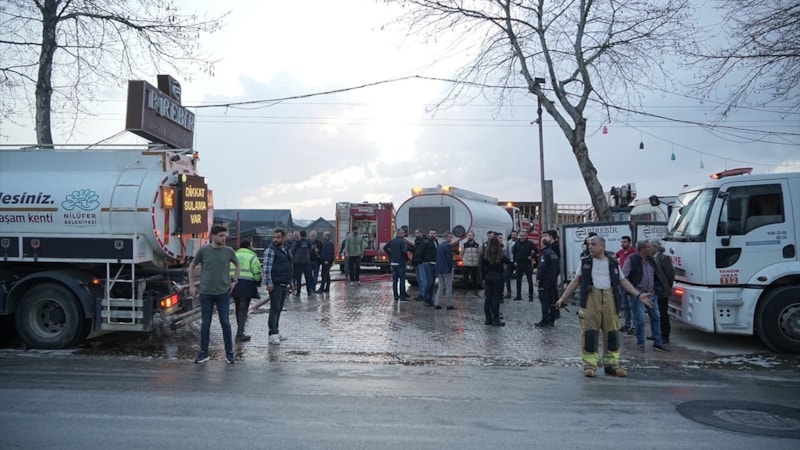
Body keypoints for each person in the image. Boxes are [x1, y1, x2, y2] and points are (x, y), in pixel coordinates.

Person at [555, 235, 654, 378]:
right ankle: (589, 366)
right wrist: (563, 298)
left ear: (602, 247)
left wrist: (638, 295)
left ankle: (612, 365)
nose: (590, 246)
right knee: (589, 333)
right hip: (590, 300)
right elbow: (576, 281)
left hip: (611, 300)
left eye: (593, 244)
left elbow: (623, 281)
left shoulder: (613, 263)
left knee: (612, 334)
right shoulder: (585, 263)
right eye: (589, 244)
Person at [188, 225, 239, 364]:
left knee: (225, 323)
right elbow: (191, 266)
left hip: (223, 293)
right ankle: (203, 353)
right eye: (221, 235)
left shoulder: (228, 251)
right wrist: (192, 285)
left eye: (225, 236)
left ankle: (229, 353)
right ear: (213, 236)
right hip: (206, 293)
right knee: (205, 324)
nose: (224, 238)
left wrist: (235, 280)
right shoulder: (204, 251)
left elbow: (237, 264)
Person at [622, 240, 669, 353]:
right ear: (642, 249)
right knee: (640, 320)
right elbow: (624, 276)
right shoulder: (632, 260)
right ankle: (641, 343)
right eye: (648, 247)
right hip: (639, 295)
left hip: (652, 294)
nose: (650, 249)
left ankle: (658, 343)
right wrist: (633, 291)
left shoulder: (651, 260)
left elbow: (657, 275)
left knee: (656, 317)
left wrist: (659, 288)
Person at [263, 229, 293, 345]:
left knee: (279, 308)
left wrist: (290, 281)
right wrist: (269, 283)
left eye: (278, 237)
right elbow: (266, 268)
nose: (275, 240)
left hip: (283, 283)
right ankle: (272, 333)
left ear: (284, 238)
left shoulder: (285, 250)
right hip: (275, 283)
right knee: (274, 309)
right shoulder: (270, 250)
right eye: (274, 237)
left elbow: (288, 266)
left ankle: (276, 330)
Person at [229, 240, 261, 342]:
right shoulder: (252, 257)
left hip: (234, 284)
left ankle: (240, 331)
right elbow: (257, 271)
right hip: (247, 285)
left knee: (237, 307)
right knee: (243, 310)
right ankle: (239, 334)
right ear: (248, 246)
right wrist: (258, 281)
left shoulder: (234, 255)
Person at [651, 240, 675, 344]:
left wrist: (667, 286)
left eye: (650, 247)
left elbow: (670, 274)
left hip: (663, 290)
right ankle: (656, 333)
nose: (649, 249)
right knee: (655, 313)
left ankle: (665, 335)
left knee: (663, 313)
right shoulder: (651, 258)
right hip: (653, 290)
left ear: (655, 248)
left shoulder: (664, 258)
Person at [482, 235, 508, 326]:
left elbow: (482, 266)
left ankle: (488, 319)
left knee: (488, 298)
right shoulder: (500, 252)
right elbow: (506, 261)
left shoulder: (485, 252)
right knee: (496, 298)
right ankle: (496, 319)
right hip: (498, 276)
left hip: (488, 275)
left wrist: (483, 278)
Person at [534, 235, 559, 327]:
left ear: (543, 244)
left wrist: (538, 279)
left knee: (544, 300)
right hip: (552, 280)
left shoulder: (545, 254)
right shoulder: (553, 253)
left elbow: (542, 267)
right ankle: (552, 319)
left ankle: (545, 320)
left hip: (545, 280)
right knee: (552, 301)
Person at [615, 236, 637, 334]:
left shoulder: (634, 252)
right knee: (625, 304)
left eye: (624, 242)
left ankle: (635, 326)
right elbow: (613, 259)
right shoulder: (620, 252)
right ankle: (627, 324)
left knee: (632, 305)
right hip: (622, 280)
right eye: (621, 241)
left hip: (630, 282)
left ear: (629, 242)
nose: (622, 243)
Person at [383, 228, 409, 301]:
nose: (404, 234)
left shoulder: (392, 241)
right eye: (403, 233)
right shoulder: (402, 241)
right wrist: (407, 259)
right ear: (399, 234)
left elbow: (385, 247)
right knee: (402, 280)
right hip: (401, 263)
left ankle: (395, 295)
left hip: (393, 262)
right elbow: (404, 251)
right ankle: (402, 296)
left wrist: (390, 254)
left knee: (395, 280)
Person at [513, 229, 537, 301]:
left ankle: (530, 296)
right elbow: (513, 253)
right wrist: (514, 261)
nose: (522, 237)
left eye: (523, 236)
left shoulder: (530, 243)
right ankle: (518, 295)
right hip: (519, 264)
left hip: (527, 264)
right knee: (518, 281)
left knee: (529, 281)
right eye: (521, 236)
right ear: (519, 236)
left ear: (526, 236)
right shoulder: (516, 243)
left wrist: (532, 256)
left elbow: (536, 251)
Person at [434, 231, 456, 310]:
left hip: (440, 269)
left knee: (440, 287)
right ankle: (449, 304)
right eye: (450, 237)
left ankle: (437, 303)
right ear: (446, 237)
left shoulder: (439, 246)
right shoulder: (447, 246)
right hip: (447, 269)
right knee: (448, 287)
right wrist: (451, 267)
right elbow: (449, 259)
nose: (451, 239)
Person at [291, 230, 313, 297]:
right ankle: (309, 292)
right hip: (307, 262)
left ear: (300, 235)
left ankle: (298, 293)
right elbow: (311, 251)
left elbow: (293, 251)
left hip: (298, 263)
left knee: (298, 278)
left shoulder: (297, 242)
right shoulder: (308, 242)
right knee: (308, 278)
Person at [420, 229, 439, 306]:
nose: (432, 235)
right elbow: (421, 252)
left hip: (435, 264)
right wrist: (425, 260)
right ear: (429, 234)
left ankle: (430, 299)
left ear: (436, 234)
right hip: (428, 264)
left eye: (434, 233)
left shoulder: (436, 242)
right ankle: (425, 300)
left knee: (432, 283)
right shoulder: (426, 242)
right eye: (431, 233)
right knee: (429, 282)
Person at [460, 231, 481, 296]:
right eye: (469, 235)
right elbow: (461, 254)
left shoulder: (477, 245)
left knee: (475, 279)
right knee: (465, 278)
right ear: (467, 236)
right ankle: (464, 291)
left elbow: (479, 254)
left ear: (473, 236)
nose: (470, 236)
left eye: (471, 235)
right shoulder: (464, 245)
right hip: (466, 264)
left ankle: (476, 291)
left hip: (475, 265)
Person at [411, 229, 428, 301]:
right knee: (419, 279)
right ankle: (421, 294)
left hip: (421, 262)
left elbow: (423, 252)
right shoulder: (417, 241)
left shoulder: (424, 241)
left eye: (417, 233)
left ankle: (424, 294)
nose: (416, 234)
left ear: (421, 233)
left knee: (423, 279)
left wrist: (422, 260)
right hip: (417, 262)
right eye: (415, 233)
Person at [503, 230, 518, 299]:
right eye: (512, 235)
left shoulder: (519, 243)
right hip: (510, 262)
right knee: (507, 277)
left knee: (519, 278)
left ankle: (519, 293)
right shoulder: (509, 243)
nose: (513, 236)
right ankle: (509, 292)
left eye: (515, 235)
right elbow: (506, 252)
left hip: (518, 262)